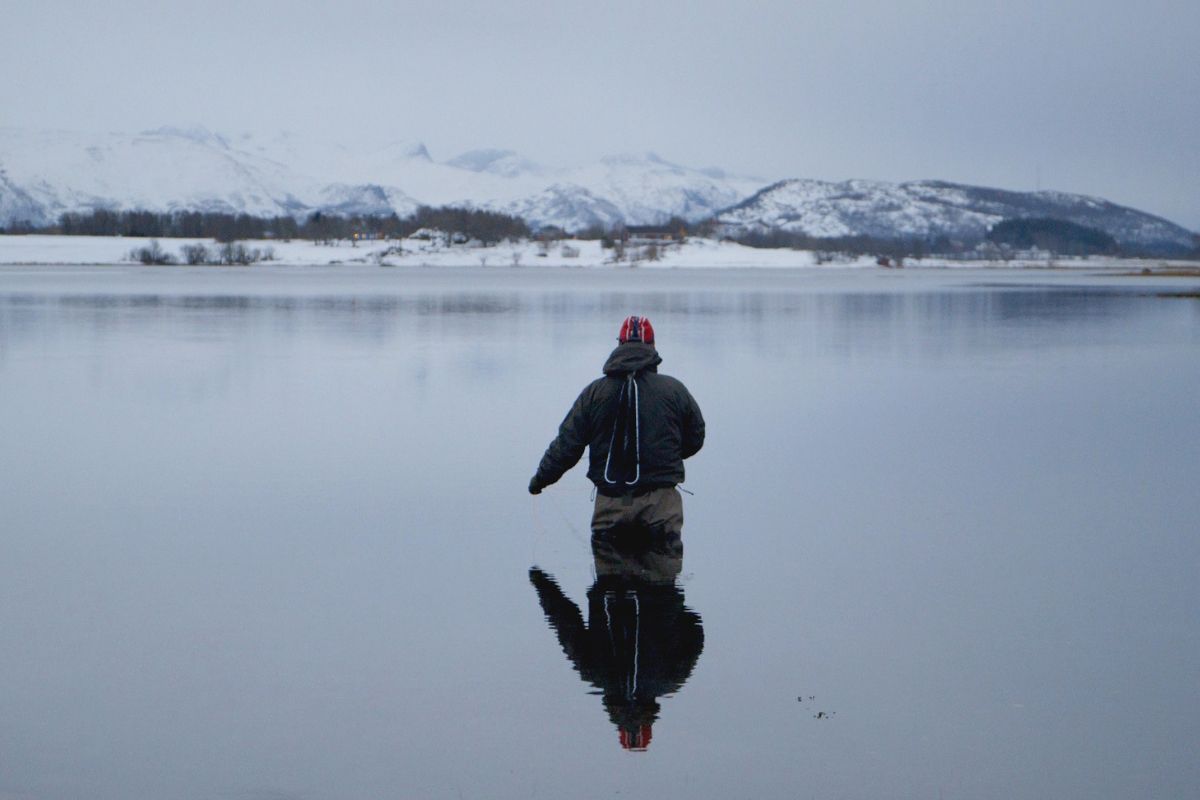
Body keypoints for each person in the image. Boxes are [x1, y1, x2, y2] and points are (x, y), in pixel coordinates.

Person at [528, 315, 704, 536]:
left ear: (619, 344)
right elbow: (696, 438)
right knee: (664, 568)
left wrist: (540, 480)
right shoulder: (675, 390)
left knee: (610, 567)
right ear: (652, 346)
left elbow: (567, 446)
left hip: (611, 504)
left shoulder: (594, 392)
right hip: (661, 505)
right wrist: (665, 454)